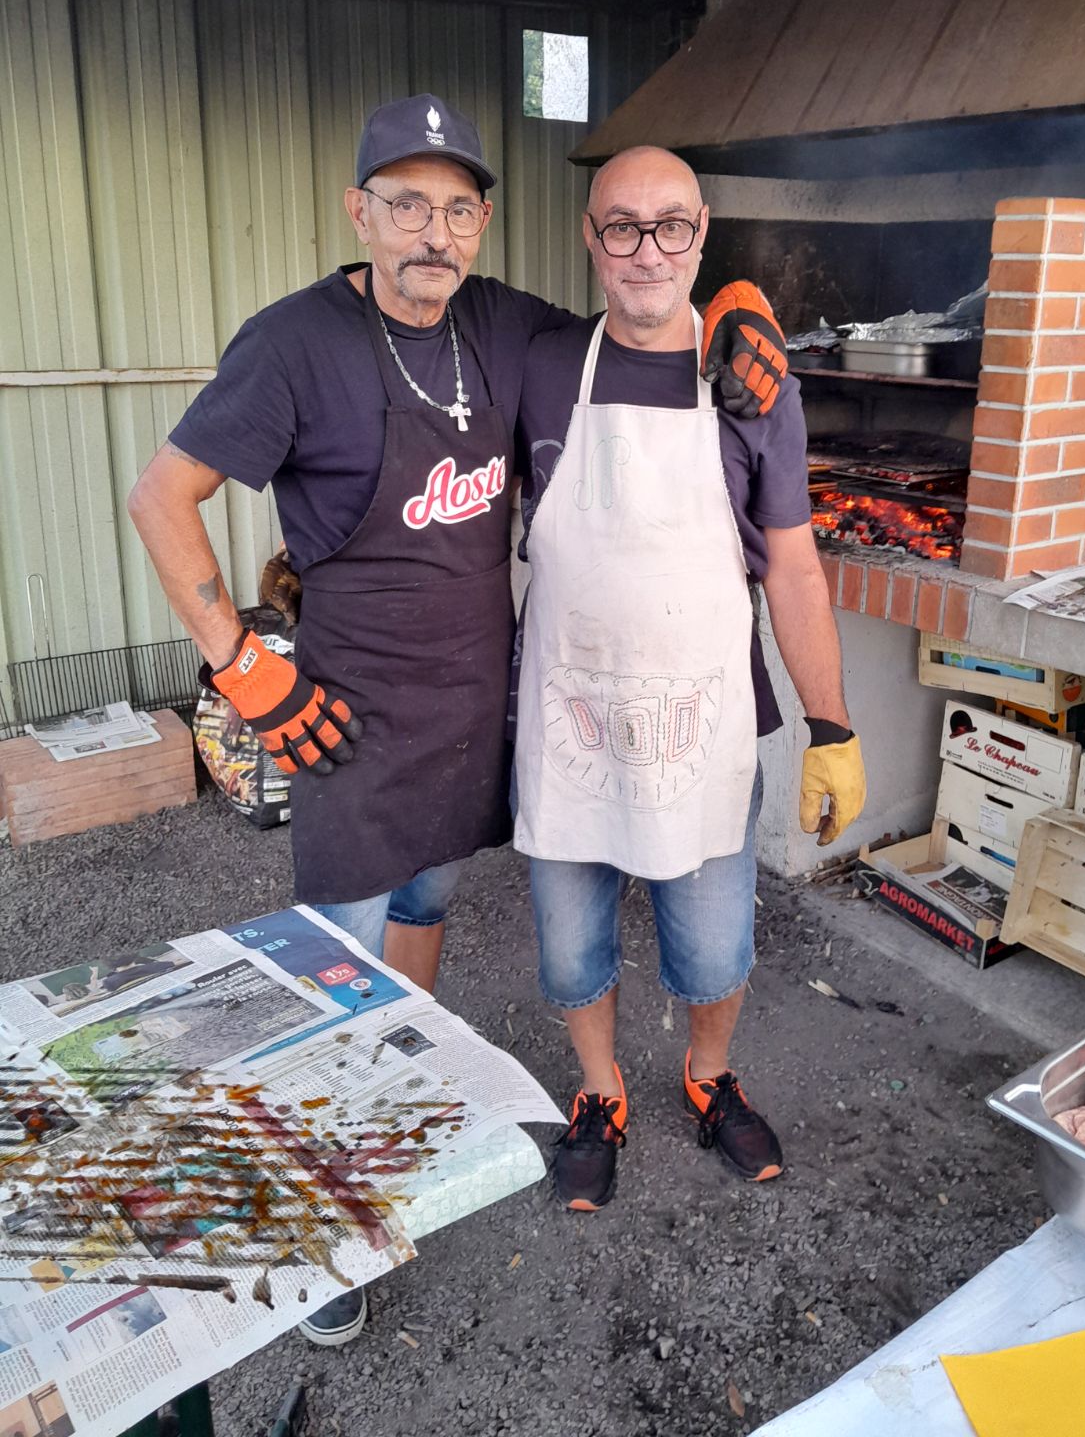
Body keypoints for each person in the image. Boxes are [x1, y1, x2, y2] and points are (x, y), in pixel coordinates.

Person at [127, 95, 789, 1344]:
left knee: (426, 913)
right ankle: (323, 1235)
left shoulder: (501, 326)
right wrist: (238, 664)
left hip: (475, 707)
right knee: (333, 960)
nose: (430, 231)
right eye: (405, 203)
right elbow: (163, 496)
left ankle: (398, 1106)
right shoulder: (295, 343)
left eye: (455, 208)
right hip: (346, 721)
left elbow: (645, 317)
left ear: (482, 223)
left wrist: (746, 304)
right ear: (359, 211)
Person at [512, 146, 867, 1211]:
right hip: (572, 720)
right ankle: (600, 1089)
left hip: (702, 725)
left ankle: (709, 1079)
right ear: (590, 237)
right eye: (622, 226)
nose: (647, 249)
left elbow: (794, 564)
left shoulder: (751, 380)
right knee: (573, 951)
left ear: (703, 233)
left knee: (715, 947)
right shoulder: (534, 360)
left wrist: (832, 724)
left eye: (672, 226)